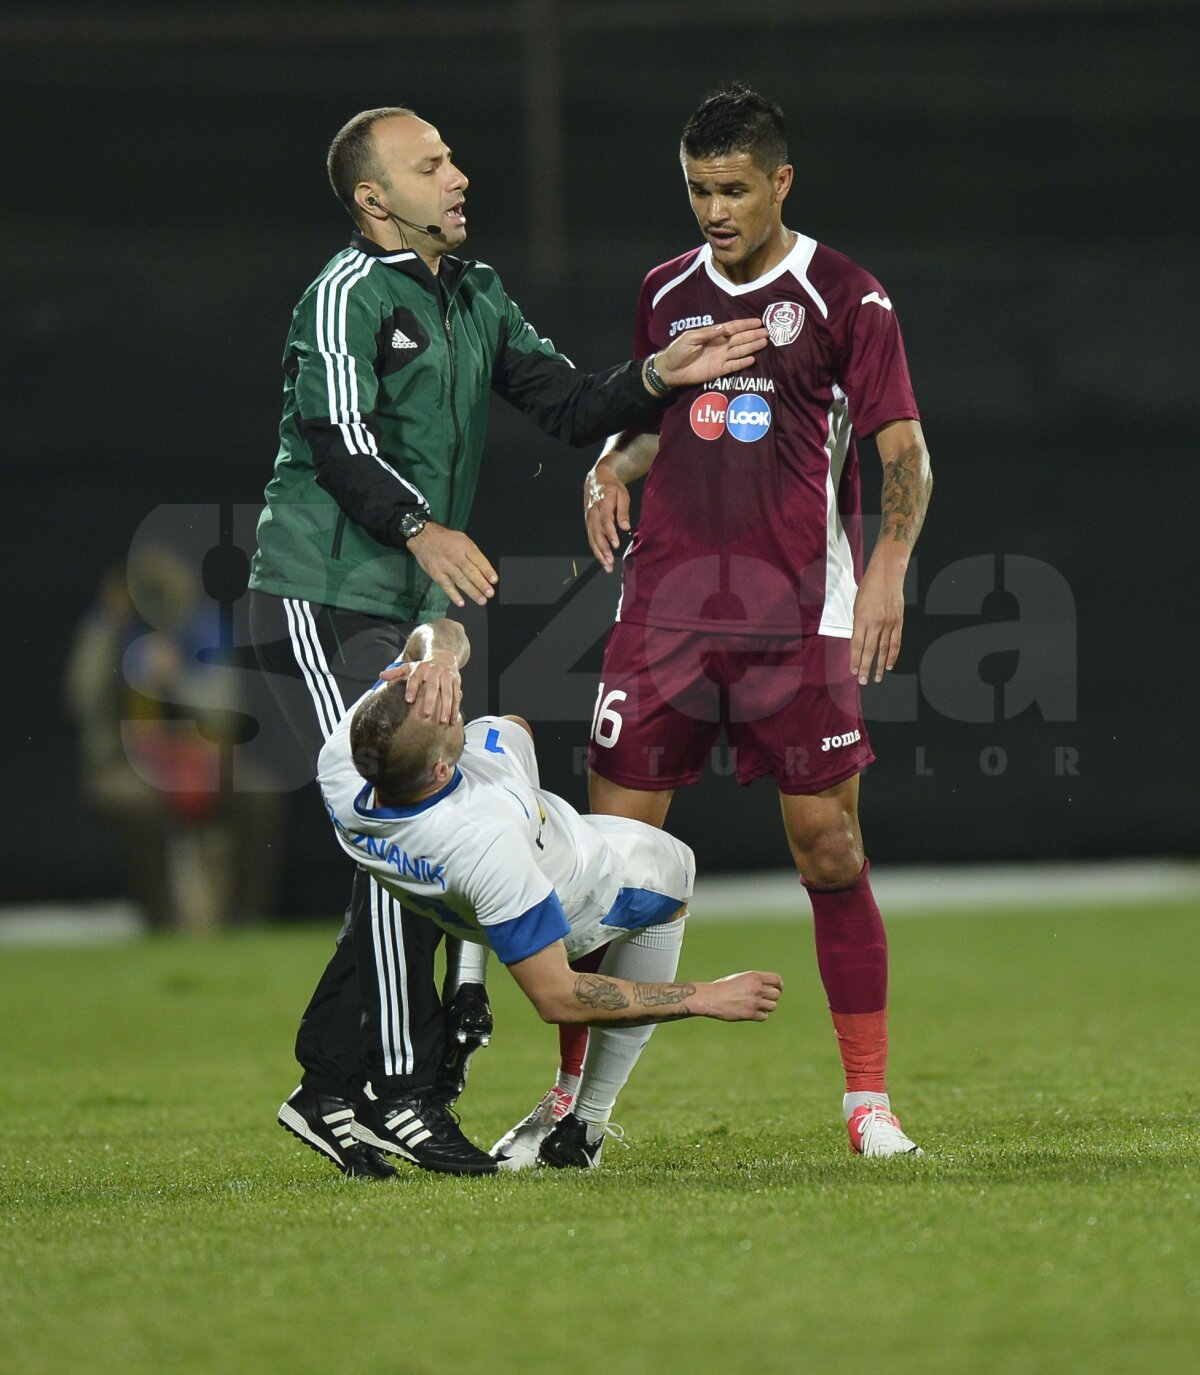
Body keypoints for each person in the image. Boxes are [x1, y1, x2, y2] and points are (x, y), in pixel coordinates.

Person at [248, 104, 769, 1179]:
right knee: (414, 829)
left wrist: (660, 377)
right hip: (327, 580)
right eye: (429, 164)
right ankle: (398, 1091)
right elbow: (335, 441)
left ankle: (337, 1086)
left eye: (450, 158)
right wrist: (421, 528)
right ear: (372, 197)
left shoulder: (473, 292)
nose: (457, 175)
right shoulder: (344, 294)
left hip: (416, 598)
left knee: (418, 840)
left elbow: (574, 403)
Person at [508, 83, 934, 1160]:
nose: (714, 209)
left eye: (733, 189)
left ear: (780, 182)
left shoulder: (846, 296)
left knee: (829, 848)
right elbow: (662, 422)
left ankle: (867, 1105)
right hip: (664, 617)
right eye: (698, 189)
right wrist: (614, 463)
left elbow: (901, 451)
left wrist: (888, 564)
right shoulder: (666, 290)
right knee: (613, 871)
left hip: (799, 614)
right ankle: (576, 1112)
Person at [310, 618, 782, 1175]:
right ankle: (587, 1122)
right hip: (575, 889)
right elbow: (558, 997)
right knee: (674, 867)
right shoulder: (486, 838)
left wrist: (432, 656)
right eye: (444, 720)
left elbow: (441, 634)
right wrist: (702, 996)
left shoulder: (345, 762)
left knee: (502, 730)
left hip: (466, 906)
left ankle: (468, 972)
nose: (449, 707)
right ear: (442, 769)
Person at [67, 546, 283, 932]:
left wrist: (178, 678)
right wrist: (108, 633)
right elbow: (80, 697)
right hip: (128, 762)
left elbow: (225, 710)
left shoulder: (201, 627)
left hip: (205, 758)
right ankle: (162, 922)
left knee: (259, 796)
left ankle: (246, 922)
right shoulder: (112, 631)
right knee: (137, 804)